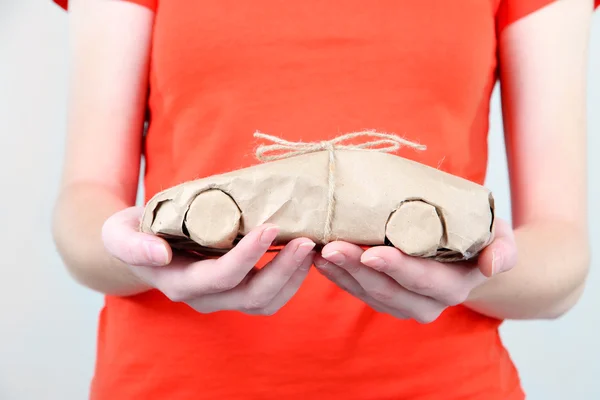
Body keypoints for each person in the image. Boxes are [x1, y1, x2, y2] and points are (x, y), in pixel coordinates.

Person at [50, 0, 598, 399]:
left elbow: (562, 257)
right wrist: (149, 259)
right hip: (165, 383)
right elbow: (86, 204)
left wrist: (480, 269)